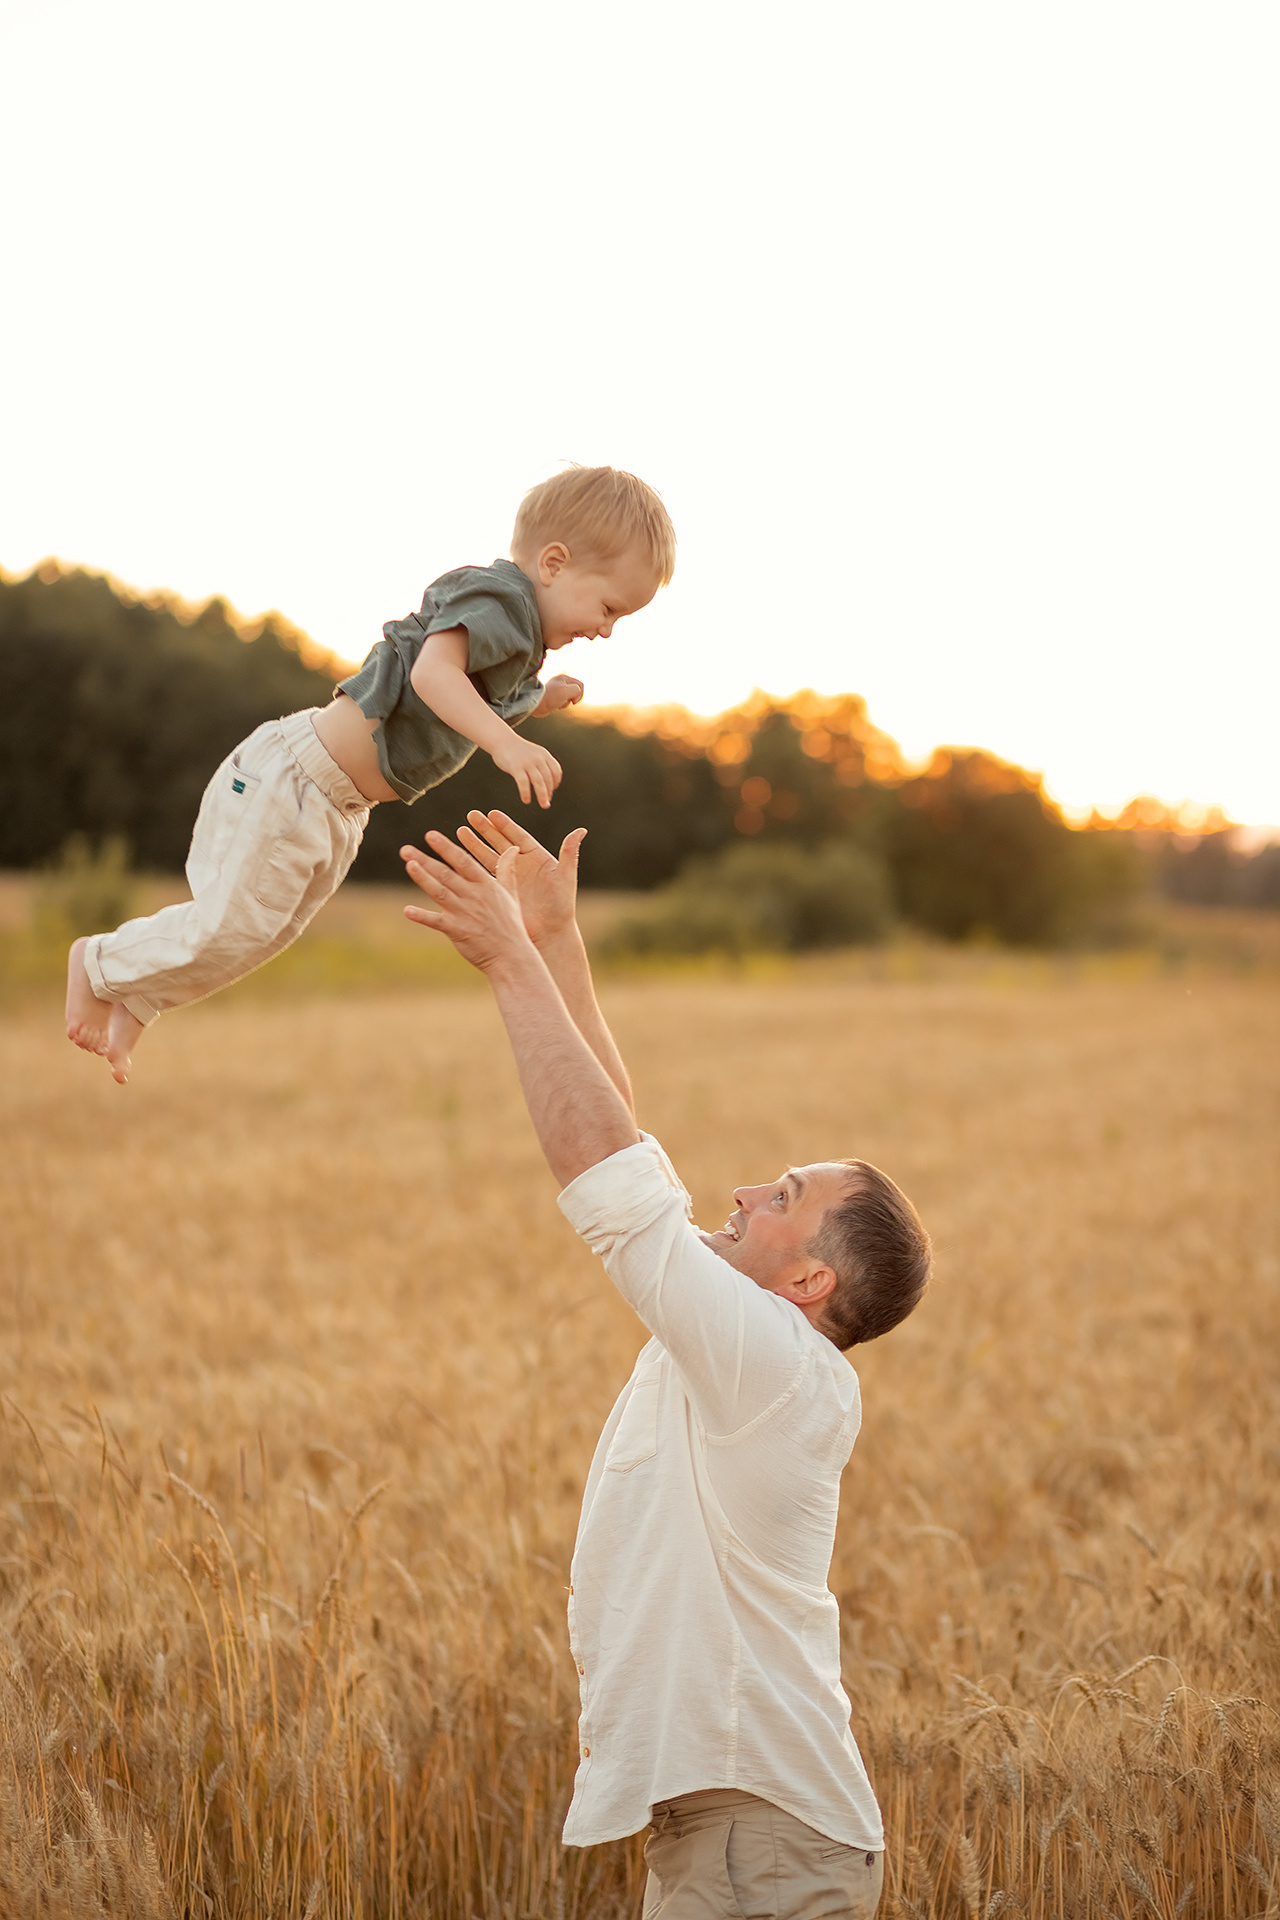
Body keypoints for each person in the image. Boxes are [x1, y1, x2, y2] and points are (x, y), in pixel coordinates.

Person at [401, 809, 932, 1920]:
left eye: (782, 1196)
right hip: (742, 1832)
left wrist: (506, 958)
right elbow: (631, 1150)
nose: (743, 1192)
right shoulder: (751, 1347)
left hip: (761, 1841)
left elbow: (610, 1176)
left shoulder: (771, 1365)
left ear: (809, 1282)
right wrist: (556, 942)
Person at [64, 465, 675, 1083]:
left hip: (338, 807)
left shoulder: (516, 634)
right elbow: (433, 675)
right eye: (608, 608)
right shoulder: (499, 601)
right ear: (554, 563)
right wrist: (506, 745)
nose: (606, 630)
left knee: (259, 935)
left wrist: (538, 698)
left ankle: (136, 997)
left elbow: (480, 694)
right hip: (296, 782)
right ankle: (96, 963)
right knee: (234, 924)